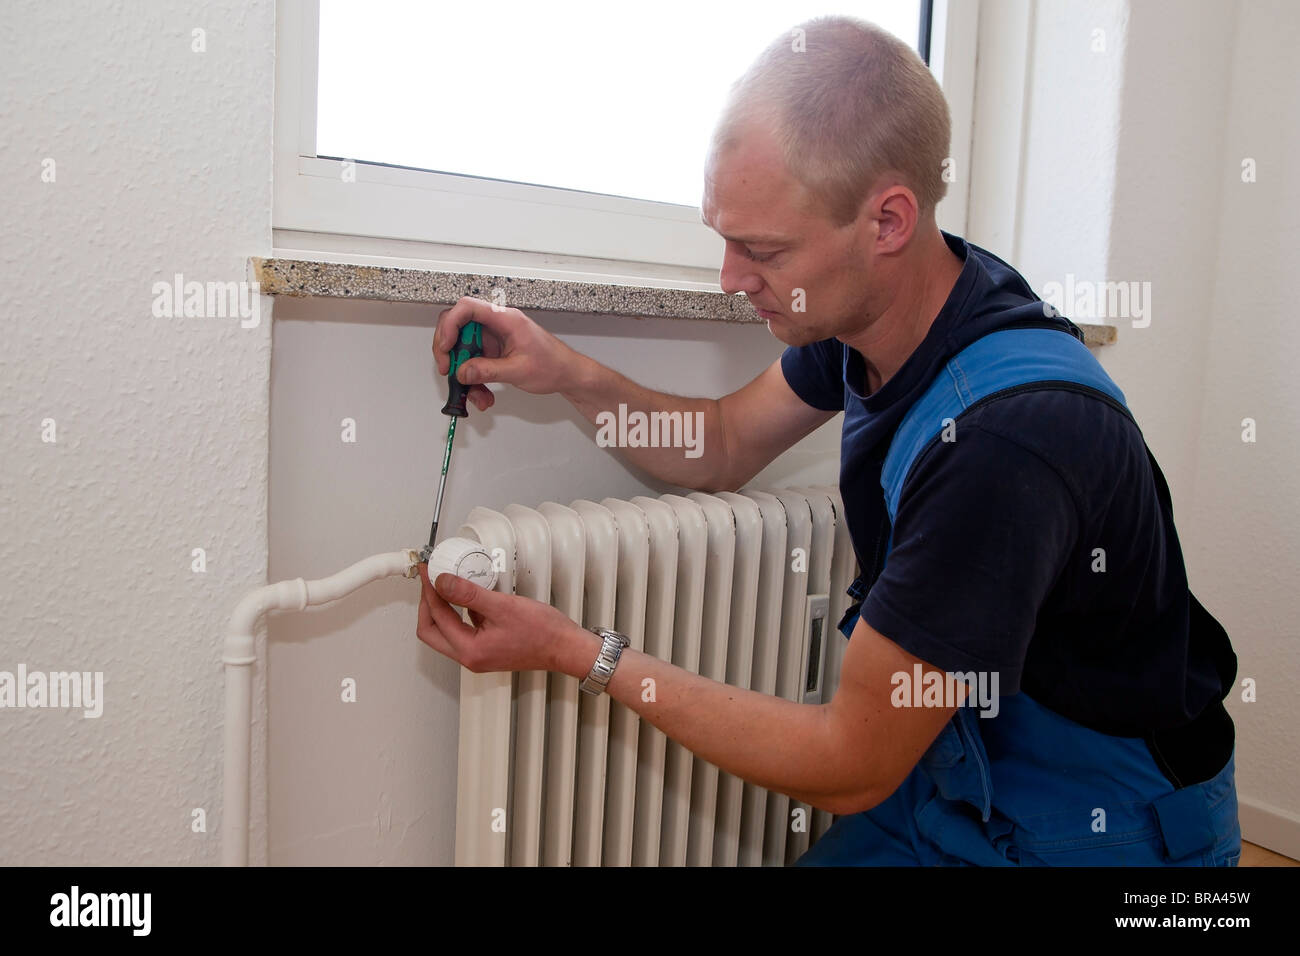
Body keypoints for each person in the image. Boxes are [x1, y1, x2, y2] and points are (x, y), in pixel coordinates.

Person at [416, 15, 1240, 866]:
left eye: (761, 248)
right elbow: (725, 442)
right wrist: (566, 372)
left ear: (887, 222)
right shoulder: (884, 315)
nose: (732, 279)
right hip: (960, 767)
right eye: (723, 237)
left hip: (1111, 822)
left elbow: (848, 764)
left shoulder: (1004, 444)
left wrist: (575, 652)